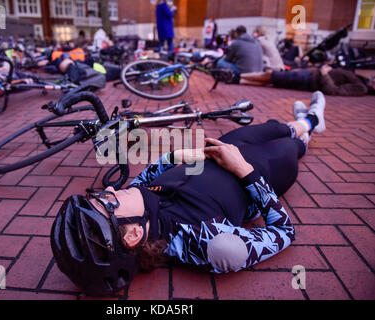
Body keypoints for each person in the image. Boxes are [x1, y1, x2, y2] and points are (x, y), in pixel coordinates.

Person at [51, 91, 328, 296]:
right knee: (292, 145)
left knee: (276, 127)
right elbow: (283, 232)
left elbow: (146, 178)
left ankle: (304, 121)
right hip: (267, 168)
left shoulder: (140, 208)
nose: (110, 188)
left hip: (225, 147)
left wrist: (175, 156)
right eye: (107, 201)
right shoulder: (211, 245)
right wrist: (245, 170)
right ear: (133, 234)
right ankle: (311, 125)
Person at [237, 64, 372, 96]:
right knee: (272, 79)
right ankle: (239, 80)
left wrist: (324, 74)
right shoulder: (362, 80)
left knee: (273, 76)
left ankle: (239, 78)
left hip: (308, 80)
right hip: (309, 75)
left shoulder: (361, 88)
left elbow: (334, 90)